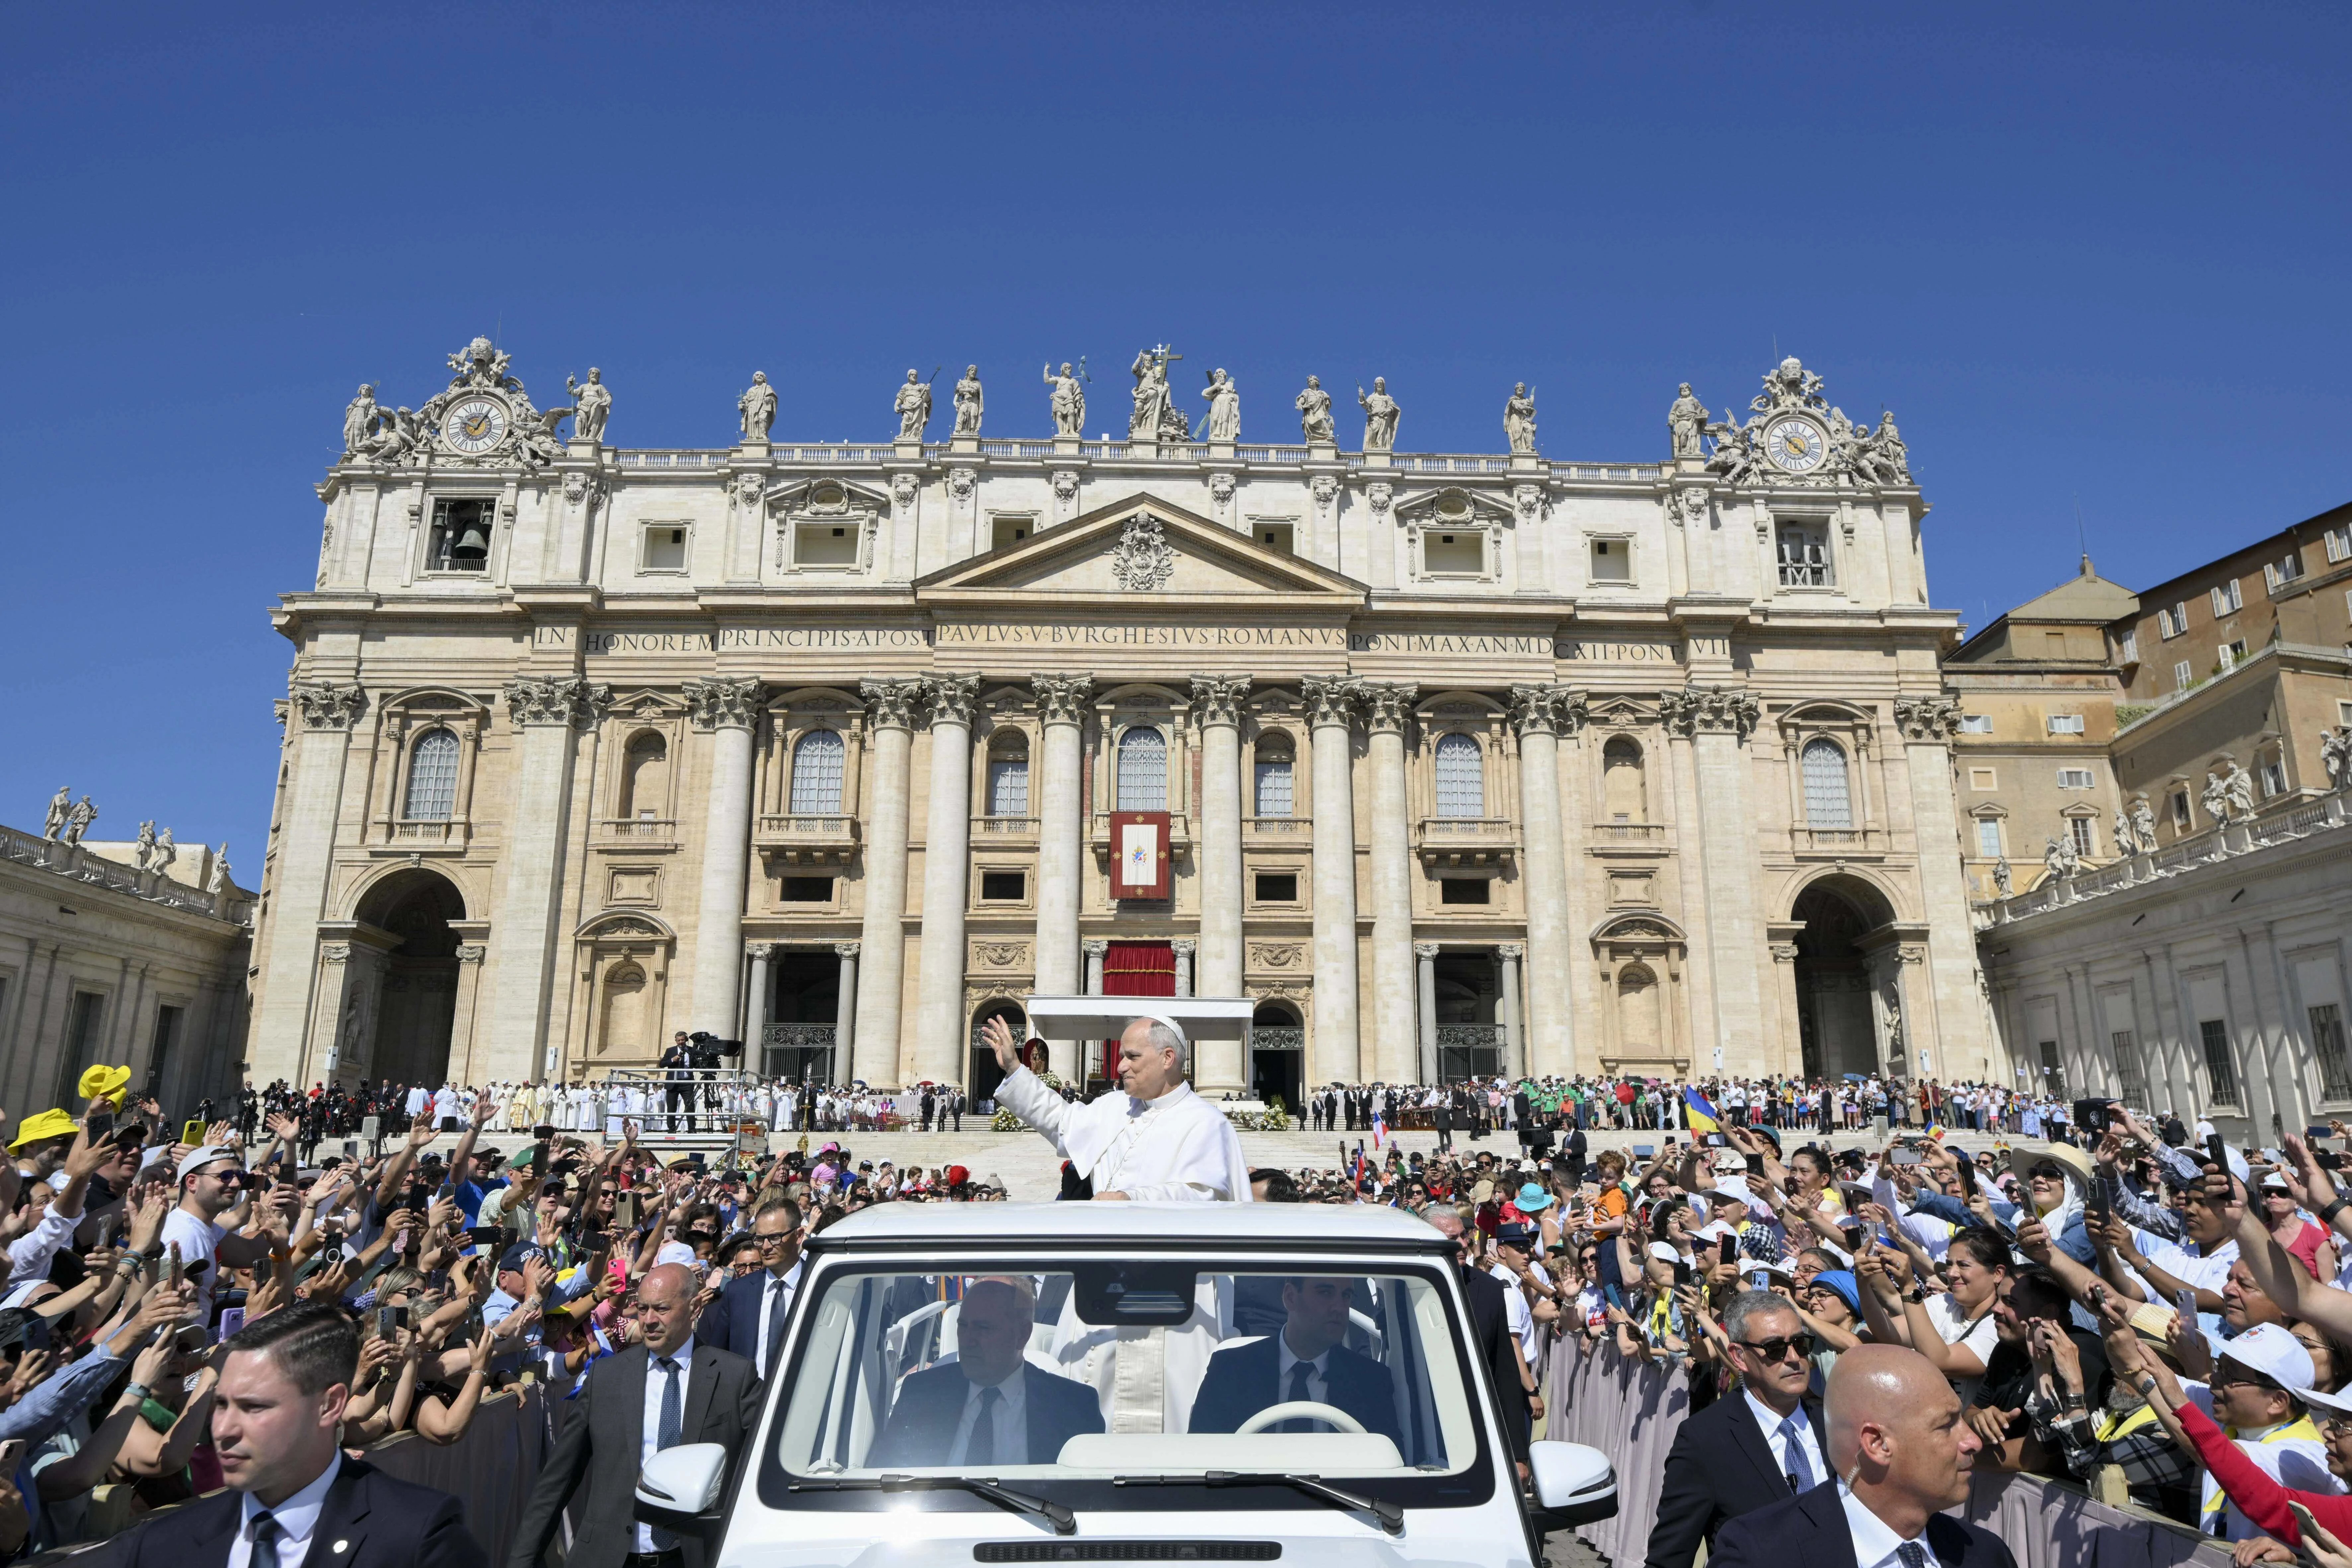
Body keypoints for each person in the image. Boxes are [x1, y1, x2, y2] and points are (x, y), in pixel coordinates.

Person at [122, 1302, 486, 1568]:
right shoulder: (163, 1546)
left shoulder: (418, 1537)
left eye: (255, 1407)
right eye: (220, 1405)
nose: (224, 1430)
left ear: (329, 1406)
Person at [507, 1263, 762, 1568]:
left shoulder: (733, 1376)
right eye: (642, 1309)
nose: (649, 1321)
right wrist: (522, 1561)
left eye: (662, 1309)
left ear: (694, 1308)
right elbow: (557, 1479)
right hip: (611, 1557)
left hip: (693, 1556)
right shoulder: (606, 1377)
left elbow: (764, 1462)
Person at [1708, 1344, 2015, 1568]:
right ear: (1877, 1444)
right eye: (1946, 1424)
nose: (1973, 1441)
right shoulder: (1757, 1554)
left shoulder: (1986, 1554)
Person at [1644, 1290, 1831, 1568]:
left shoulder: (1835, 1426)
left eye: (1800, 1344)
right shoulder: (1704, 1439)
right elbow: (1669, 1556)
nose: (1793, 1357)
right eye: (1775, 1348)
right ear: (1739, 1356)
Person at [980, 1013, 1251, 1201]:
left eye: (1132, 1057)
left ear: (1168, 1058)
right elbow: (1060, 1121)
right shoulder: (1113, 1104)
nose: (1121, 1066)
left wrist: (1130, 1198)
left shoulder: (1207, 1122)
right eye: (1122, 1056)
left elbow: (1204, 1197)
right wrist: (1015, 1068)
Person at [865, 1277, 1103, 1466]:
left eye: (984, 1328)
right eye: (963, 1326)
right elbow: (886, 1481)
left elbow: (1089, 1499)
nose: (968, 1340)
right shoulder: (920, 1394)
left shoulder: (1073, 1406)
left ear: (1022, 1334)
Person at [1189, 1275, 1404, 1445]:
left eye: (1346, 1296)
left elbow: (1392, 1468)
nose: (1339, 1307)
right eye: (1325, 1293)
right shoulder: (1229, 1370)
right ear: (1290, 1297)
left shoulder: (1371, 1381)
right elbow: (1200, 1459)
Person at [693, 1199, 805, 1379]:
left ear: (799, 1235)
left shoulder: (819, 1285)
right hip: (748, 1400)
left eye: (775, 1237)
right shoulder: (738, 1292)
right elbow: (717, 1356)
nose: (766, 1247)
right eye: (760, 1239)